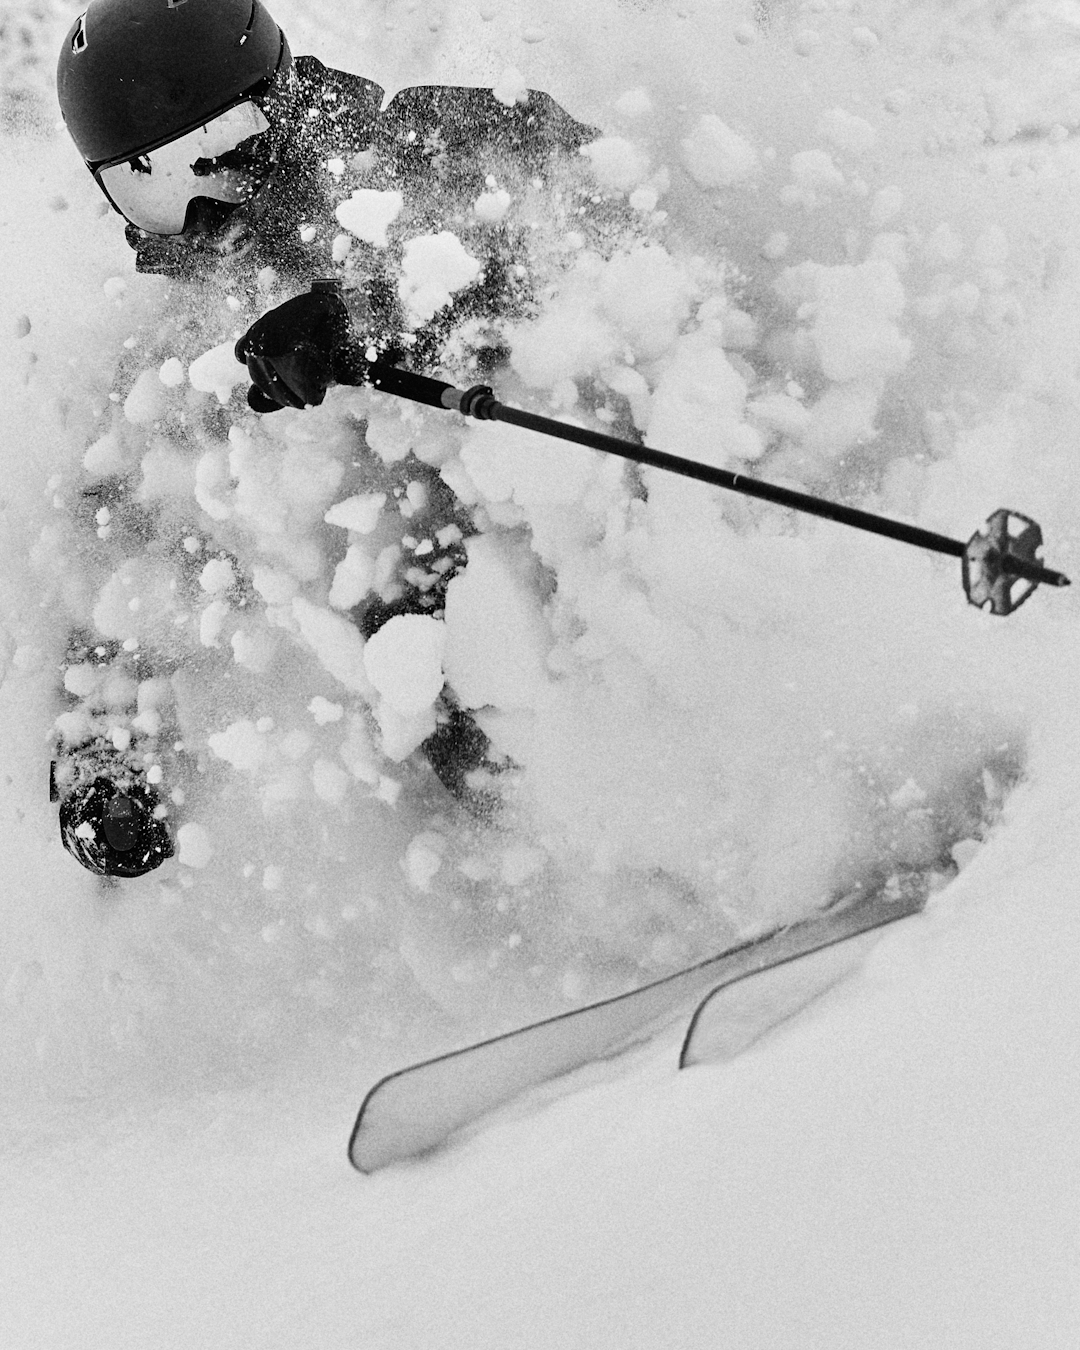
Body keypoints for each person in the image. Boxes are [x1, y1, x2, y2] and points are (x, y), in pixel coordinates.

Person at [52, 0, 613, 877]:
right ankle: (568, 879)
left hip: (585, 550)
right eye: (150, 185)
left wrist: (369, 311)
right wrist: (115, 745)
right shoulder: (178, 351)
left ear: (276, 106)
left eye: (216, 154)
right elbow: (124, 549)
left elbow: (577, 211)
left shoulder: (411, 146)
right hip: (443, 689)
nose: (199, 209)